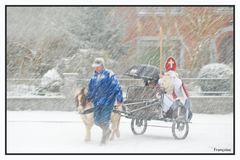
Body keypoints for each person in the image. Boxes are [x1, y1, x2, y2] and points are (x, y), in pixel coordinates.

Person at [86, 58, 123, 144]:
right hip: (97, 102)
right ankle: (107, 130)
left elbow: (117, 87)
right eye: (95, 67)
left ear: (102, 66)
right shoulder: (94, 77)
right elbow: (91, 89)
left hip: (108, 101)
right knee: (96, 120)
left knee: (104, 119)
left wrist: (119, 99)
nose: (96, 68)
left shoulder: (109, 74)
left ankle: (104, 138)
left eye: (97, 66)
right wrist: (89, 98)